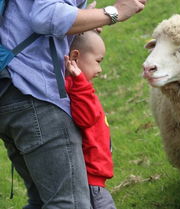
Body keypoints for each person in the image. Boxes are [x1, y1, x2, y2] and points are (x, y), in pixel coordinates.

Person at [0, 0, 147, 208]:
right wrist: (115, 12)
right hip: (35, 94)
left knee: (42, 201)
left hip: (10, 92)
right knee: (69, 203)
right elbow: (46, 15)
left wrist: (82, 18)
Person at [64, 30, 115, 209]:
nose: (100, 69)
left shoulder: (80, 87)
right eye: (98, 61)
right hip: (91, 181)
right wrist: (78, 80)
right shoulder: (74, 87)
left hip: (96, 180)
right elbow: (86, 118)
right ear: (75, 57)